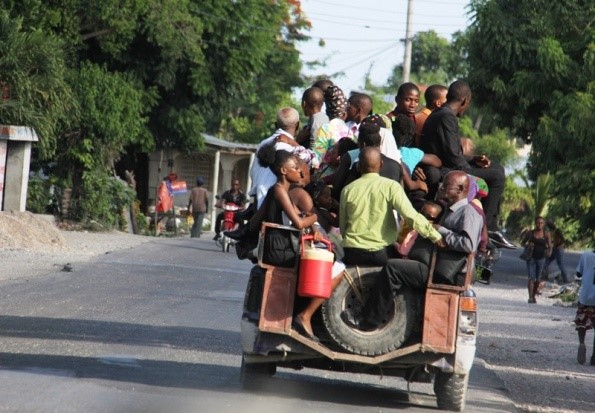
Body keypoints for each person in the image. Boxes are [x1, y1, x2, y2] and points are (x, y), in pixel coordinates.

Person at [345, 171, 482, 330]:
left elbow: (468, 244)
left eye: (446, 185)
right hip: (431, 266)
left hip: (442, 273)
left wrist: (441, 231)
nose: (442, 187)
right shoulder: (451, 210)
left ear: (460, 189)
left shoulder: (467, 212)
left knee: (393, 268)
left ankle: (369, 321)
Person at [419, 79, 516, 249]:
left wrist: (474, 159)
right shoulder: (446, 117)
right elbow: (454, 158)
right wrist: (468, 167)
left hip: (448, 164)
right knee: (497, 176)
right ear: (465, 101)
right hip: (445, 171)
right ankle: (489, 227)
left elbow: (452, 152)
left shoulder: (441, 114)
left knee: (497, 167)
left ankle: (491, 223)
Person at [339, 147, 443, 266]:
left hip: (352, 253)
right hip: (380, 253)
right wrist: (435, 236)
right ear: (381, 164)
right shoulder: (391, 186)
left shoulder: (347, 190)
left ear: (358, 166)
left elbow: (343, 227)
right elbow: (410, 216)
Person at [249, 107, 316, 208]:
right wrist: (293, 142)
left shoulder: (263, 144)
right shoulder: (290, 147)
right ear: (298, 125)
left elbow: (253, 174)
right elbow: (315, 161)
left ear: (276, 125)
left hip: (258, 203)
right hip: (278, 207)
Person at [521, 216, 552, 303]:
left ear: (544, 224)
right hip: (531, 258)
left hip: (541, 258)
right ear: (535, 223)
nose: (539, 225)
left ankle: (534, 296)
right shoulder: (530, 233)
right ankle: (530, 297)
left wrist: (549, 252)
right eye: (538, 223)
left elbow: (550, 246)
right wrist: (528, 245)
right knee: (531, 277)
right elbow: (522, 243)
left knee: (538, 279)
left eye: (541, 223)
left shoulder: (546, 234)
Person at [574, 249, 595, 365]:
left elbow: (579, 273)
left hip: (586, 296)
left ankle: (582, 342)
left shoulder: (586, 255)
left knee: (582, 321)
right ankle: (594, 356)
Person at [386, 82, 420, 148]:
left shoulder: (415, 119)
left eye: (416, 101)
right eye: (408, 100)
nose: (412, 105)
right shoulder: (388, 120)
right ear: (397, 99)